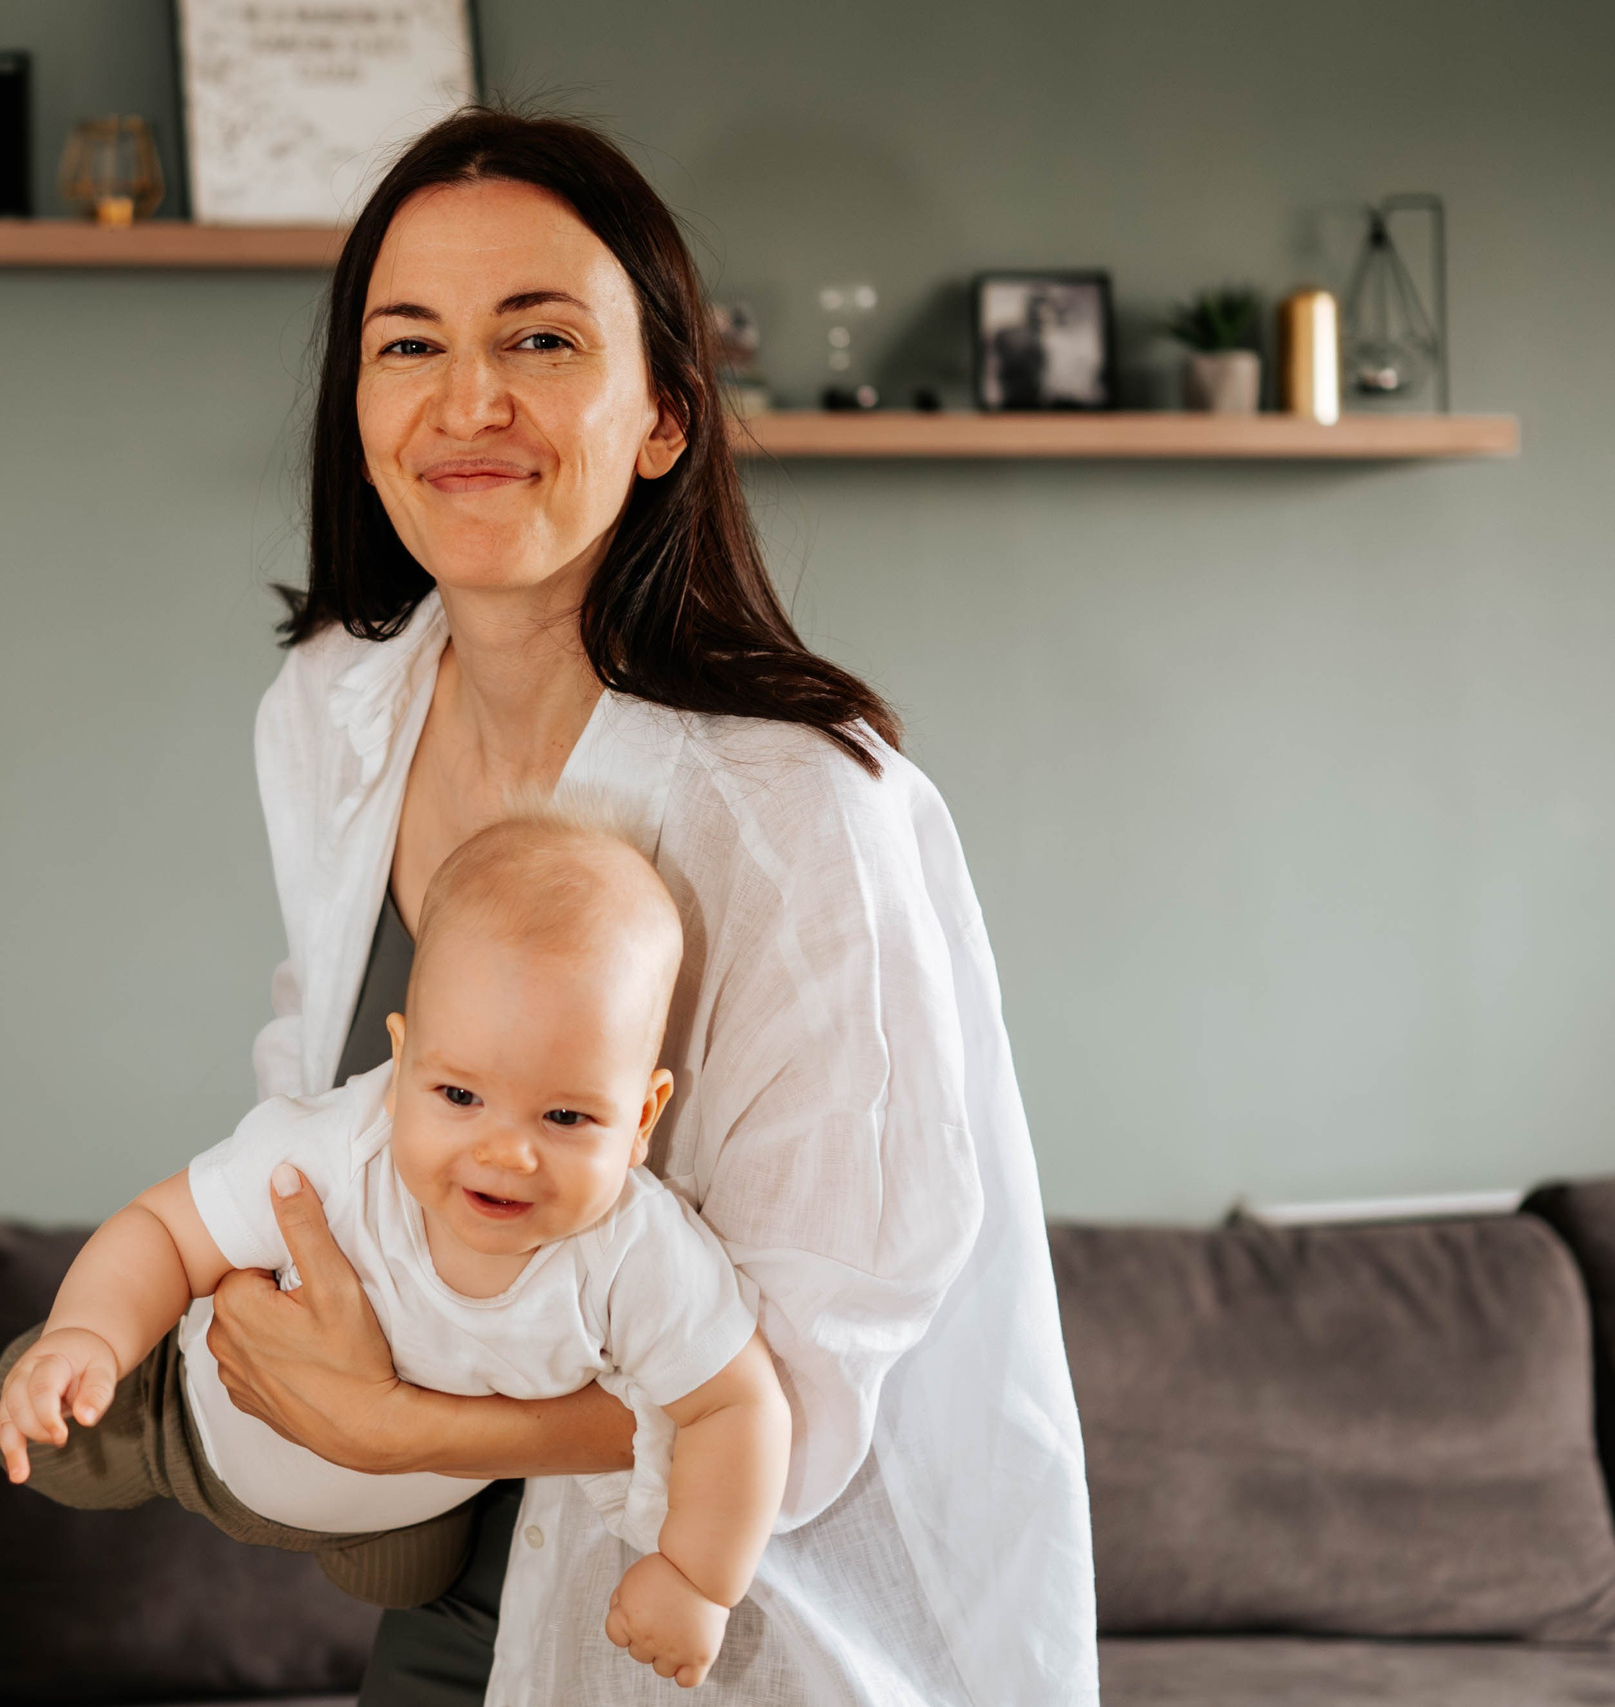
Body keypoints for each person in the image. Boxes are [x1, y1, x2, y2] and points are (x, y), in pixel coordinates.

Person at [196, 109, 1098, 1704]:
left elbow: (804, 1379)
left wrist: (411, 1423)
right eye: (409, 345)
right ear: (361, 404)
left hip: (716, 1628)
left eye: (540, 337)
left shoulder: (808, 806)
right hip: (437, 1615)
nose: (468, 401)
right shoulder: (333, 712)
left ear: (666, 415)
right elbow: (323, 1096)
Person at [0, 813, 792, 1688]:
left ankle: (364, 1540)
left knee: (412, 1576)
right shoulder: (335, 1152)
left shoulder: (637, 1255)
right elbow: (165, 1231)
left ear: (642, 1119)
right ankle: (75, 1386)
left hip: (401, 1521)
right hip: (197, 1421)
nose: (506, 1153)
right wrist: (90, 1337)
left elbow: (739, 1407)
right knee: (57, 1429)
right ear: (400, 1067)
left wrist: (698, 1577)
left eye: (565, 1116)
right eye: (459, 1093)